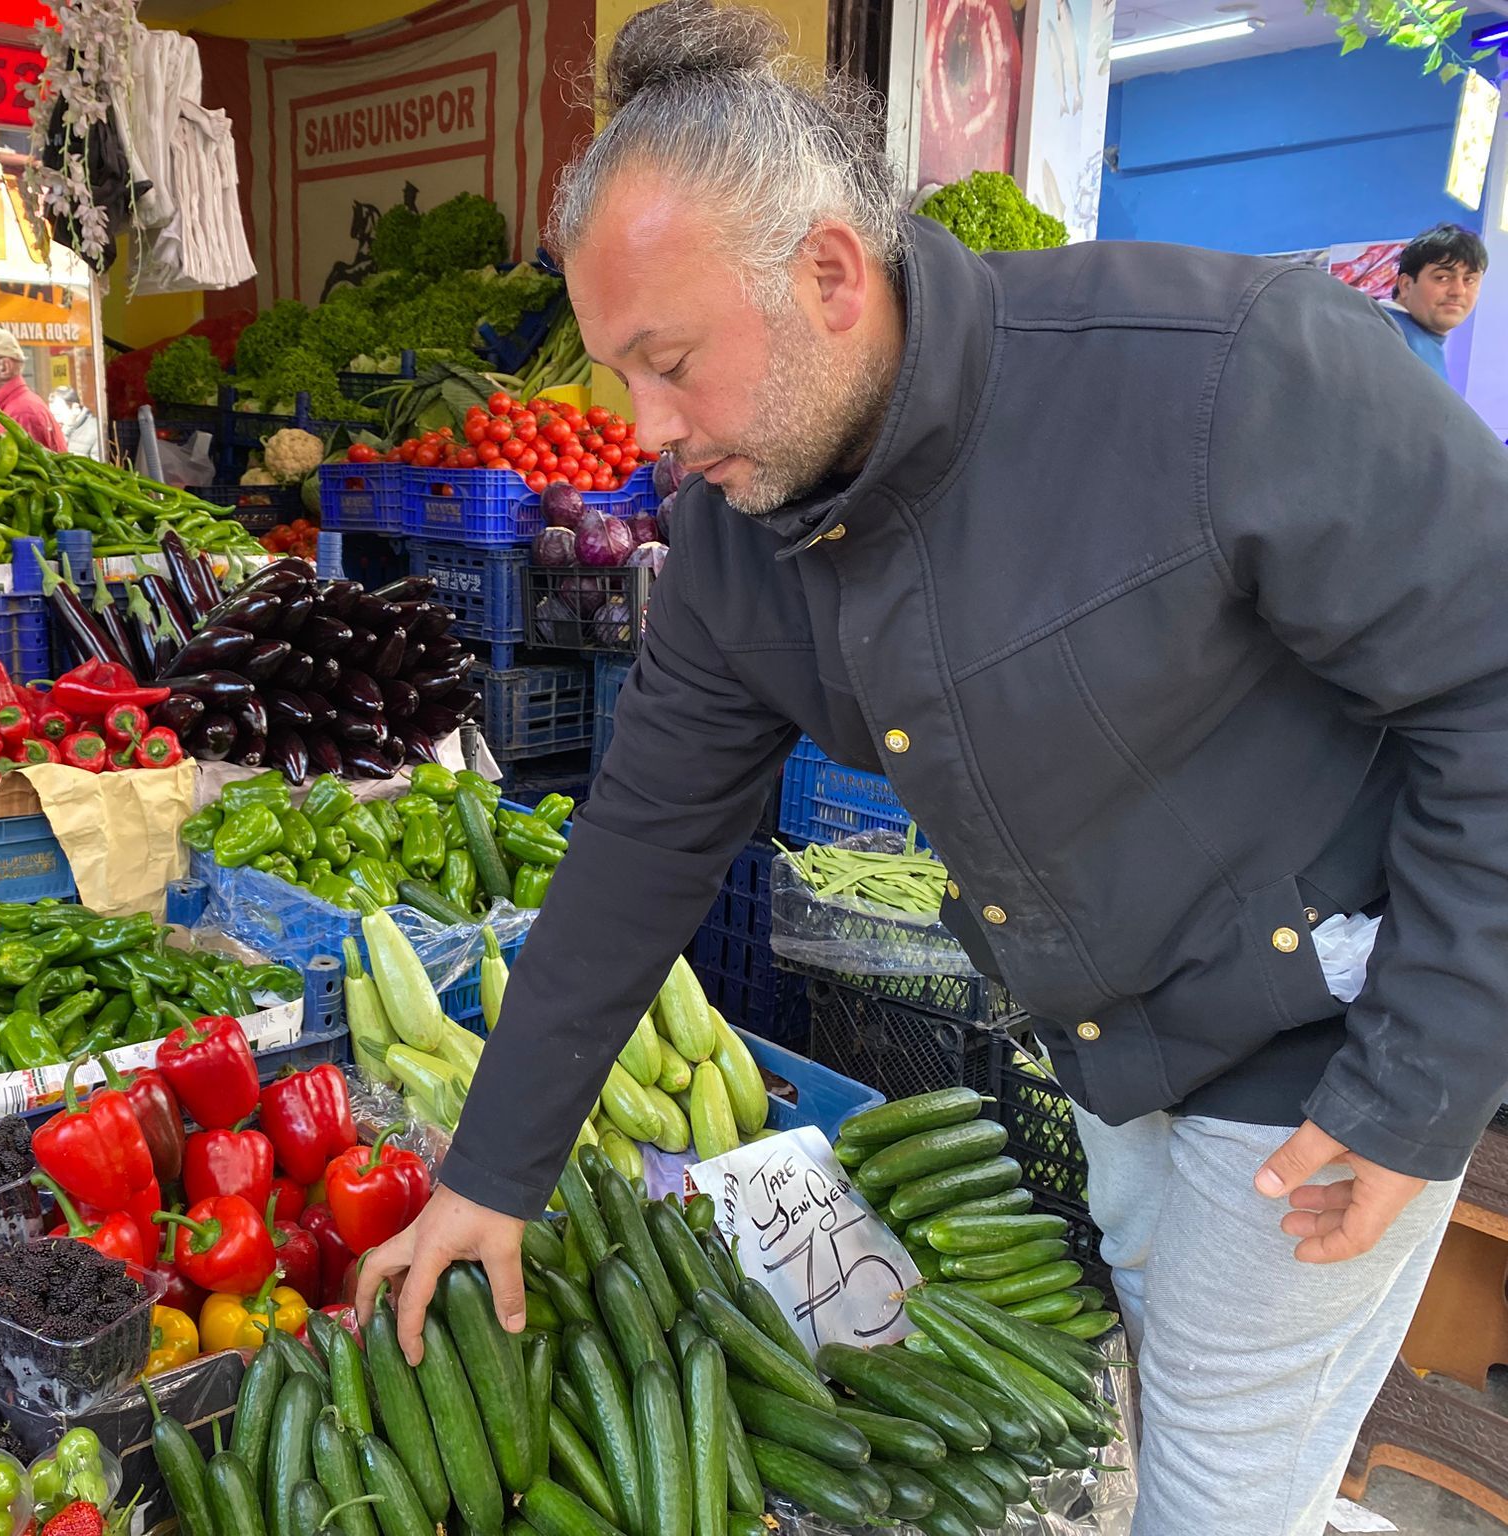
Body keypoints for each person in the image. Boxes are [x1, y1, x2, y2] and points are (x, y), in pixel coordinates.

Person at [356, 5, 1508, 1534]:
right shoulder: (732, 550)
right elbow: (640, 845)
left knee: (1221, 1495)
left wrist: (1416, 1091)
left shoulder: (1223, 372)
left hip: (1322, 1040)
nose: (643, 429)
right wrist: (491, 1172)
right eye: (618, 372)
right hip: (1107, 1050)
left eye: (672, 361)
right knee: (1174, 1418)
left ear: (832, 274)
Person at [1383, 222, 1487, 381]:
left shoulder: (1422, 343)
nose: (1458, 291)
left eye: (1469, 280)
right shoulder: (1385, 337)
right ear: (1406, 285)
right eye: (1442, 277)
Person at [48, 386, 103, 460]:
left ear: (75, 408)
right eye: (53, 415)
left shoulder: (96, 430)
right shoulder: (57, 429)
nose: (56, 419)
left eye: (58, 414)